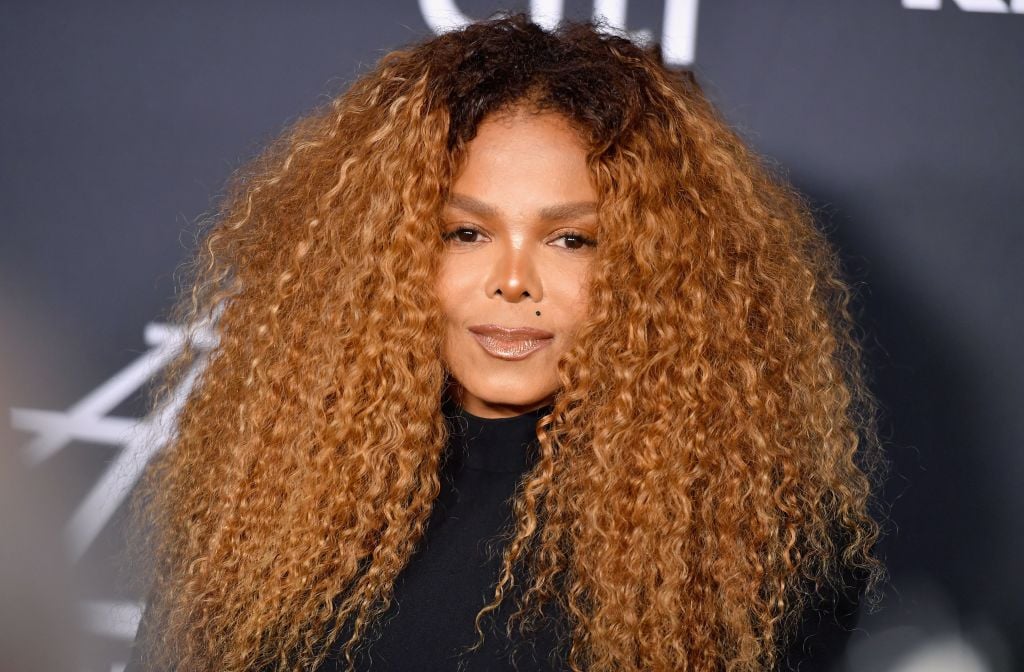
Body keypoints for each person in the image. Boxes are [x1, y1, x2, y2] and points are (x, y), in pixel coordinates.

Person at [123, 11, 888, 672]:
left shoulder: (745, 544)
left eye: (570, 240)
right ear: (387, 253)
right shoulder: (267, 497)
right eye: (466, 231)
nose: (513, 280)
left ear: (657, 270)